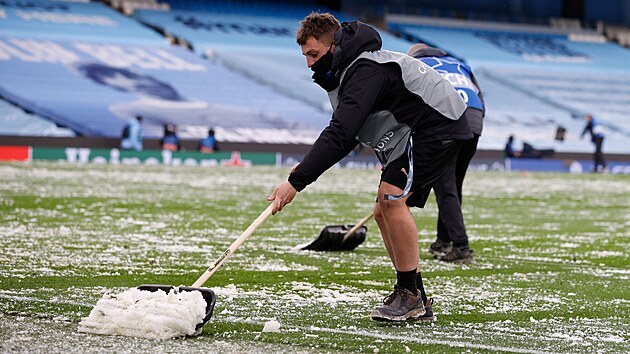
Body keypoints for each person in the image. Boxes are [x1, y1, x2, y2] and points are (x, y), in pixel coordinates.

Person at [267, 13, 472, 322]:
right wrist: (306, 168)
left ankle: (409, 296)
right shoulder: (351, 70)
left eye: (314, 54)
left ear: (334, 46)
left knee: (391, 199)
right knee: (382, 209)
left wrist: (295, 181)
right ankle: (415, 295)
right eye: (305, 56)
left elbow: (341, 133)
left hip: (437, 127)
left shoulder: (364, 69)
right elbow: (347, 133)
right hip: (415, 130)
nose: (309, 64)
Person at [408, 44, 484, 264]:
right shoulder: (460, 65)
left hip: (446, 122)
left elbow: (411, 100)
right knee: (453, 185)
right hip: (474, 120)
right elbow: (480, 98)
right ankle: (444, 241)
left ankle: (461, 246)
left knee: (445, 187)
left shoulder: (416, 64)